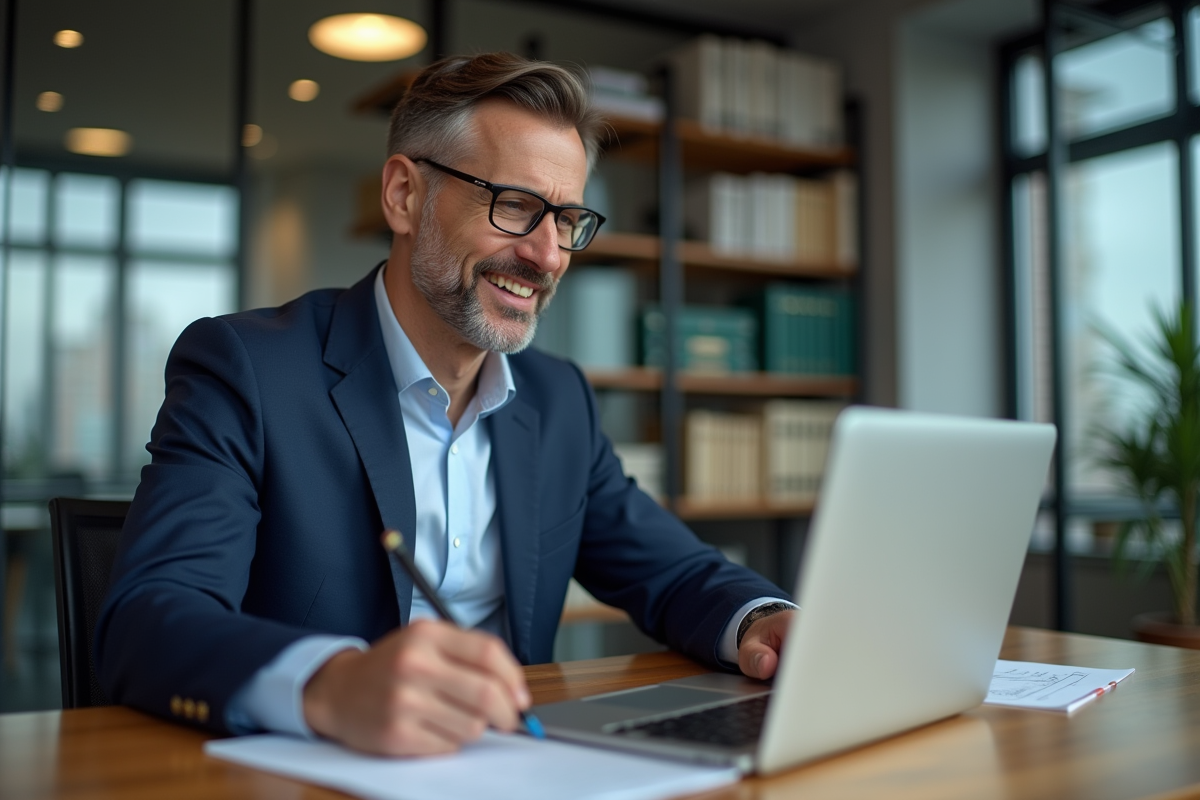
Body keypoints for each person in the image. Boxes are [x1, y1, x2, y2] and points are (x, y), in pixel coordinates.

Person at [95, 52, 796, 757]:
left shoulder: (559, 401)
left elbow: (672, 570)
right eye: (517, 206)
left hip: (514, 766)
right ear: (404, 195)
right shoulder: (246, 369)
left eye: (568, 220)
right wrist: (329, 684)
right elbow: (149, 620)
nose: (549, 255)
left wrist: (765, 621)